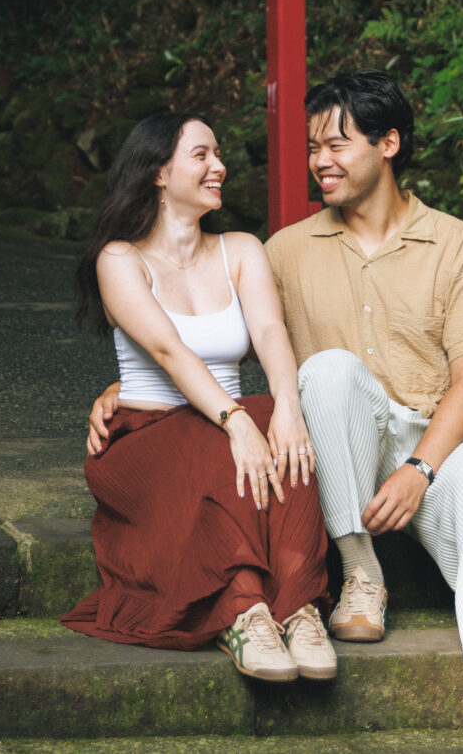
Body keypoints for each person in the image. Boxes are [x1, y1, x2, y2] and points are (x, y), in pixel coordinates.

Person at [88, 72, 463, 753]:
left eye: (336, 144)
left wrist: (421, 468)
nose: (319, 161)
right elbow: (196, 335)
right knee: (331, 371)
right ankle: (360, 573)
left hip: (437, 443)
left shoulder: (458, 246)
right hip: (339, 451)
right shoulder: (284, 250)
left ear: (388, 143)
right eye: (312, 146)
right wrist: (118, 390)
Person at [62, 111, 339, 682]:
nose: (220, 166)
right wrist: (235, 421)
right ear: (159, 173)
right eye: (202, 155)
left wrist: (286, 408)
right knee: (229, 432)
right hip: (146, 440)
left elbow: (268, 333)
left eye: (218, 154)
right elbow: (167, 350)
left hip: (222, 429)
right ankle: (244, 612)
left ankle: (300, 607)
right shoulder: (120, 258)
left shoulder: (240, 249)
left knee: (285, 431)